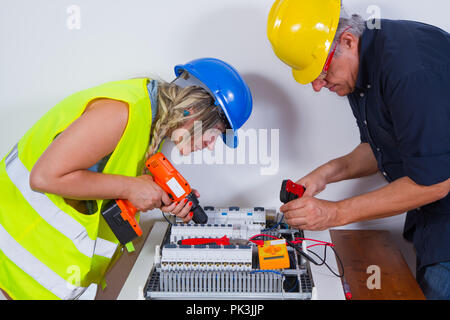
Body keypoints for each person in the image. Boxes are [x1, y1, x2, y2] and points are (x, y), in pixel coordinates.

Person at [0, 57, 253, 300]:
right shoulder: (121, 112)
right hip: (10, 264)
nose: (210, 145)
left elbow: (101, 185)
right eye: (215, 132)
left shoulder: (147, 125)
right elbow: (44, 177)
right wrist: (132, 187)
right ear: (196, 110)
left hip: (39, 278)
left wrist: (158, 198)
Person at [267, 0, 450, 299]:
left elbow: (434, 182)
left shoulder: (409, 70)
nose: (317, 85)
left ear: (348, 41)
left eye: (321, 71)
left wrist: (334, 213)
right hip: (434, 221)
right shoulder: (362, 69)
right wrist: (324, 175)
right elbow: (383, 147)